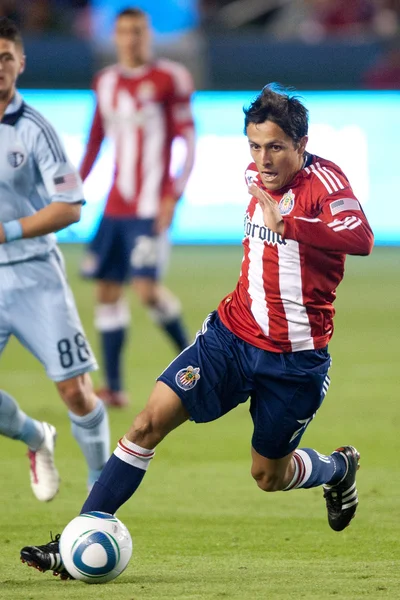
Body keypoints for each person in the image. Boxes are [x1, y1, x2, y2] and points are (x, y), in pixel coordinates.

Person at [20, 84, 374, 577]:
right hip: (231, 337)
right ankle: (80, 533)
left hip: (295, 358)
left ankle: (337, 469)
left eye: (275, 147)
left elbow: (361, 238)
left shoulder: (326, 184)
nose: (263, 159)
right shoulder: (256, 175)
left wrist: (291, 224)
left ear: (302, 143)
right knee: (146, 424)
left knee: (268, 475)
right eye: (254, 146)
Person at [0, 17, 110, 501]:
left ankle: (102, 493)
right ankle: (35, 436)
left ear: (21, 63)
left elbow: (70, 206)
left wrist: (5, 232)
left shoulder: (35, 129)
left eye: (6, 57)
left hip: (33, 273)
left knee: (75, 391)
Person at [79, 7, 196, 407]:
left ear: (148, 36)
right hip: (115, 207)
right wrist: (75, 187)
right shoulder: (105, 82)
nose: (132, 39)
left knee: (146, 290)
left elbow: (188, 142)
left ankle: (200, 361)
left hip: (150, 207)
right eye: (125, 31)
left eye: (139, 31)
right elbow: (95, 139)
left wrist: (172, 196)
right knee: (108, 291)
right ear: (115, 36)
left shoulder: (170, 79)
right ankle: (113, 386)